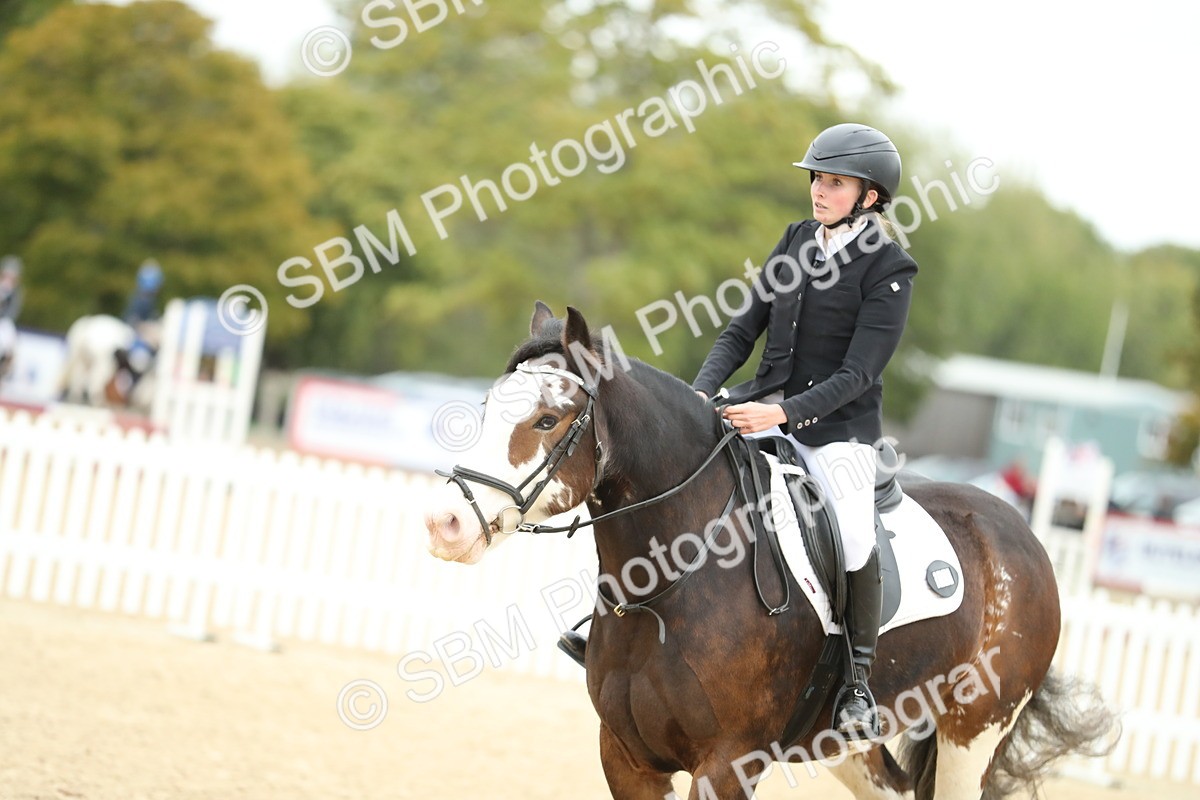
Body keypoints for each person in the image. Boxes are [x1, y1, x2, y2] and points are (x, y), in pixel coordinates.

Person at [691, 122, 916, 738]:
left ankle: (858, 683)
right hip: (760, 407)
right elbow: (742, 330)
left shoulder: (890, 268)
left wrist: (784, 415)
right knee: (681, 477)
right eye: (817, 178)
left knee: (850, 531)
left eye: (835, 182)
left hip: (838, 433)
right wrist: (702, 392)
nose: (819, 190)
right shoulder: (795, 241)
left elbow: (859, 373)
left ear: (869, 196)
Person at [0, 255, 24, 377]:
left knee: (10, 343)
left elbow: (13, 309)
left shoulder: (16, 291)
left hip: (5, 321)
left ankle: (5, 368)